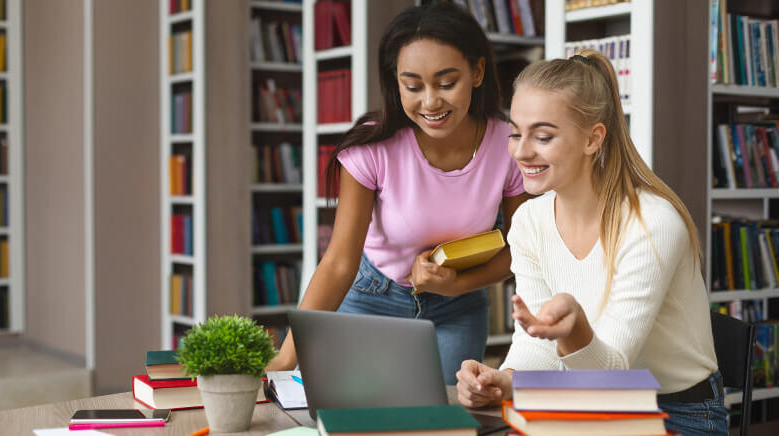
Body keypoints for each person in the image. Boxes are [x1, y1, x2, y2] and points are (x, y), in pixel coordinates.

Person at [455, 49, 725, 436]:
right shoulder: (530, 222)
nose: (521, 150)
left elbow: (611, 378)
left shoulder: (652, 223)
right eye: (516, 132)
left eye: (543, 136)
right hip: (580, 399)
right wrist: (502, 380)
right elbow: (536, 347)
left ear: (592, 139)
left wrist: (573, 329)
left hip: (678, 413)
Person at [265, 2, 529, 384]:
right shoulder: (374, 145)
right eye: (413, 85)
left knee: (441, 421)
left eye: (446, 82)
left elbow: (519, 251)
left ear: (477, 72)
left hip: (458, 308)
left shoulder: (507, 144)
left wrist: (456, 284)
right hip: (370, 298)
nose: (430, 101)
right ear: (396, 82)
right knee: (358, 418)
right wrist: (284, 360)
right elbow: (339, 262)